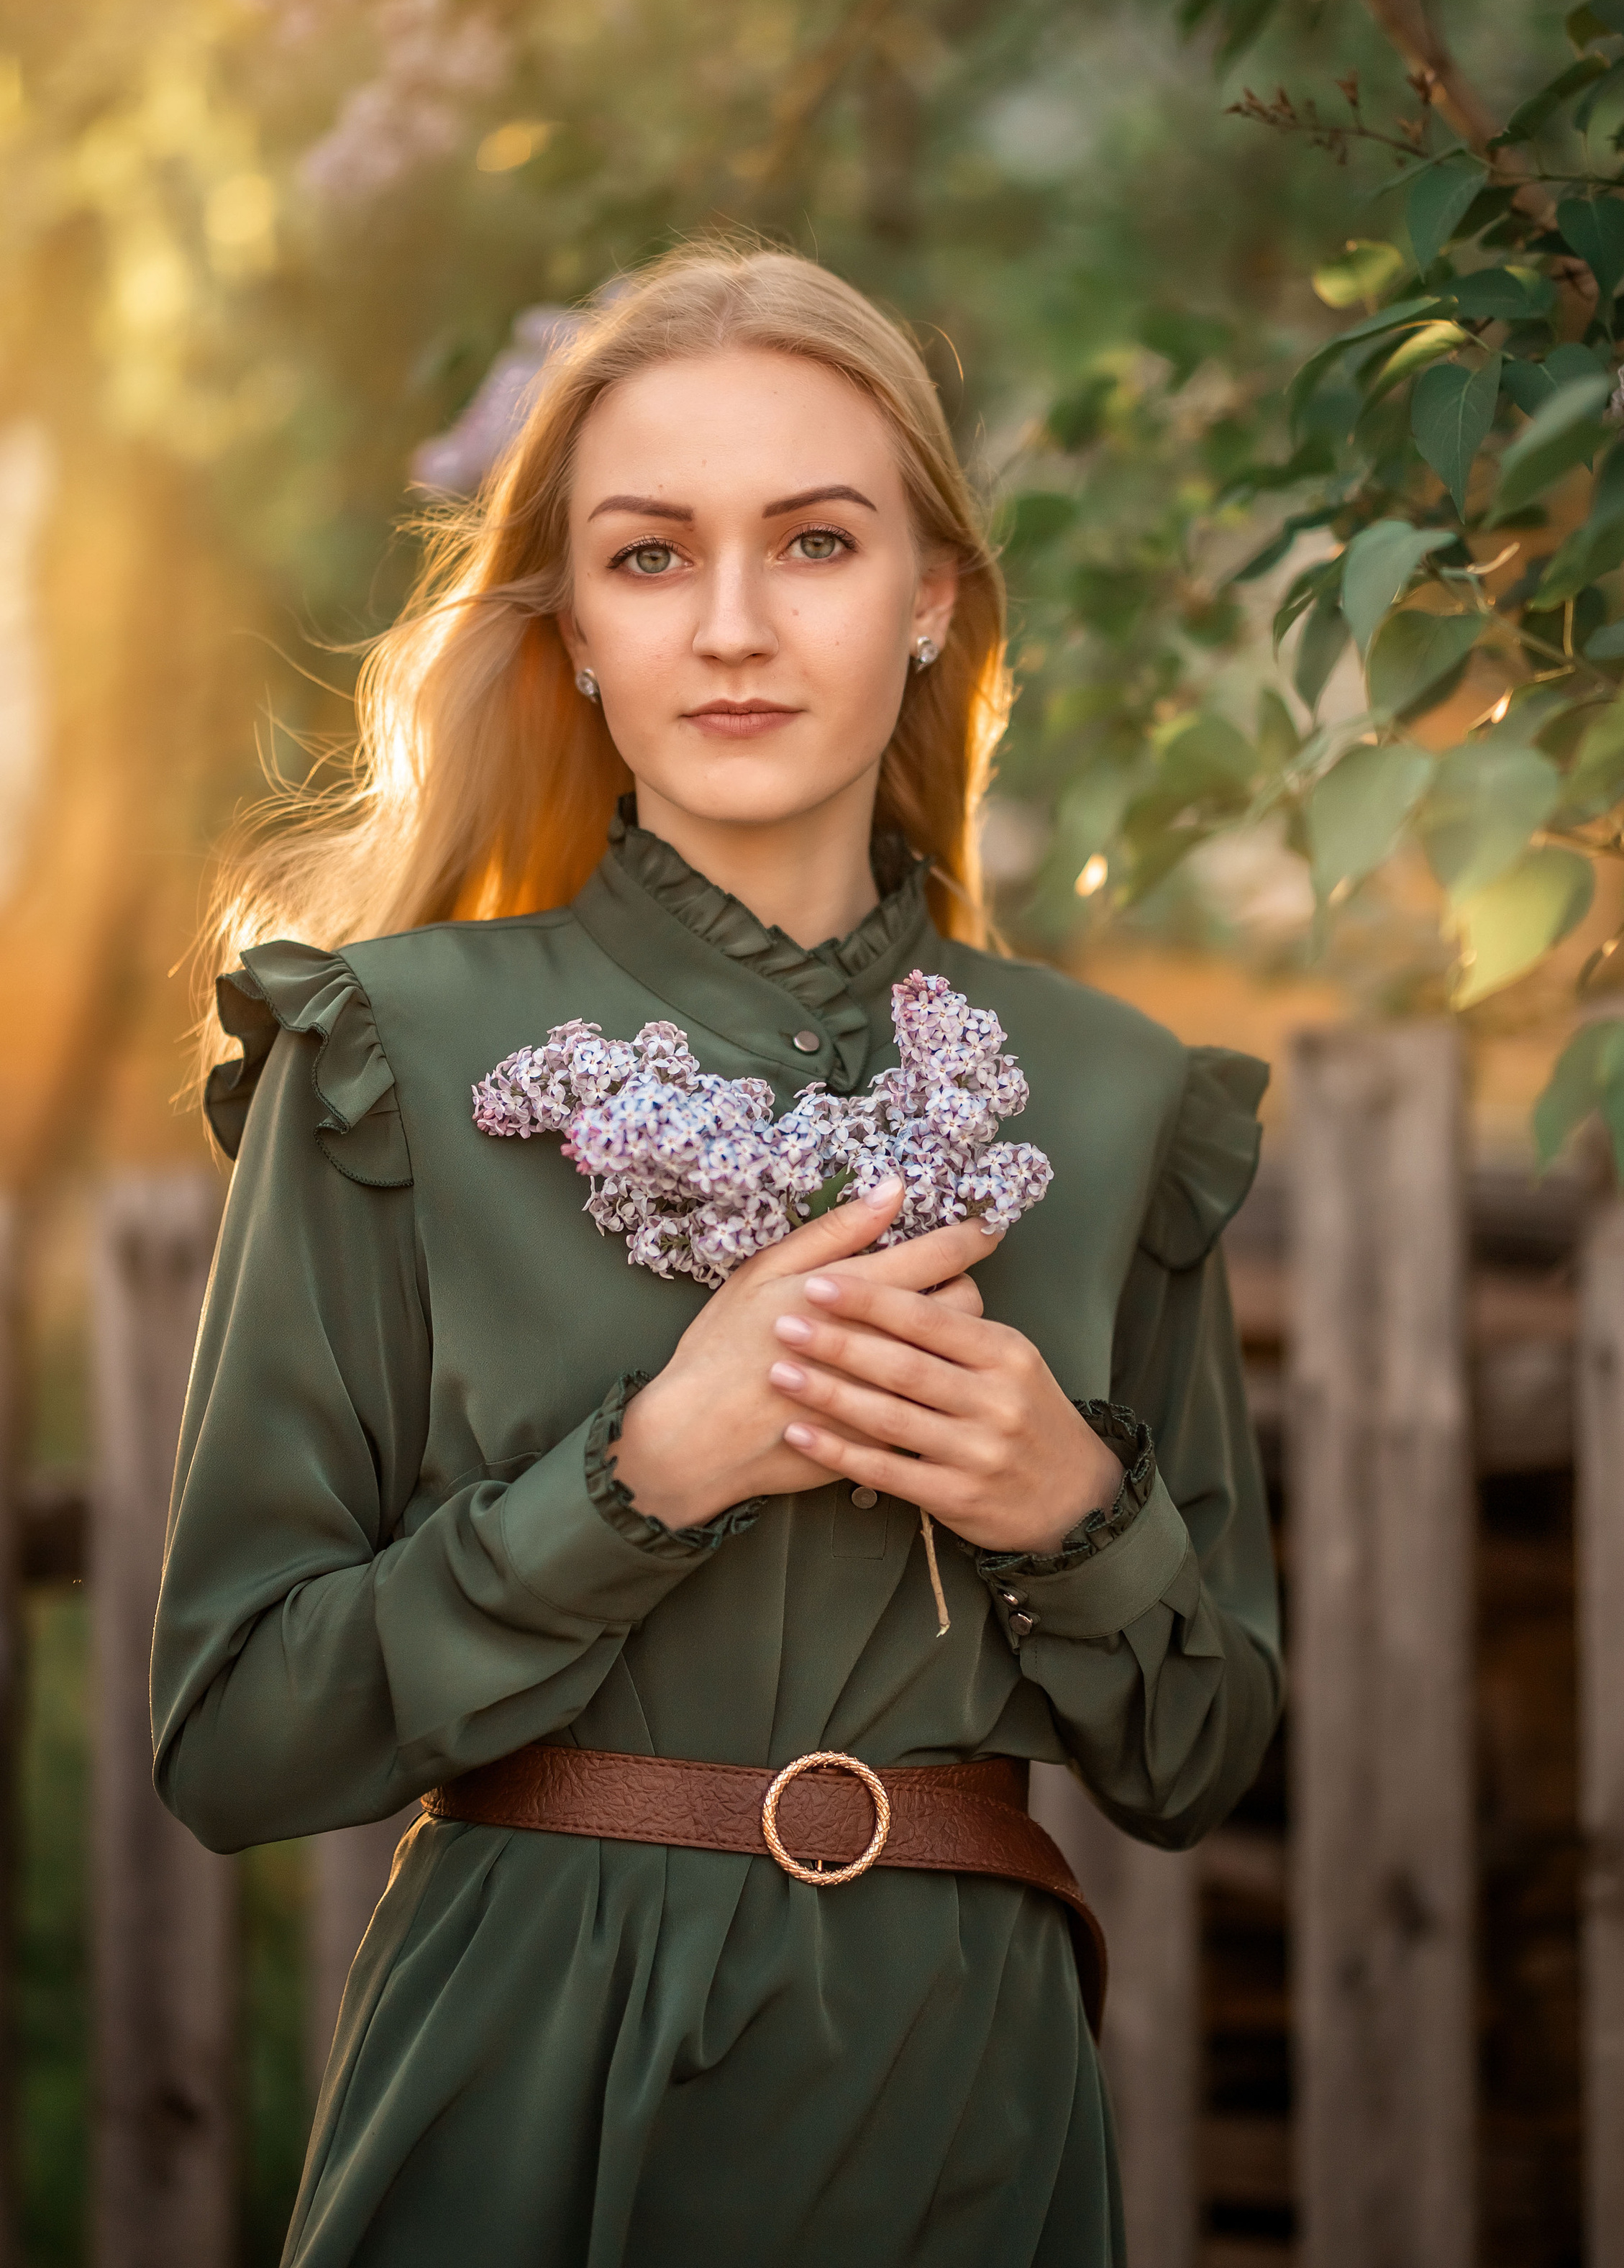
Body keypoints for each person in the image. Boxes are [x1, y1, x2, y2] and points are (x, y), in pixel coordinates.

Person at [152, 240, 1281, 2267]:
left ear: (932, 600)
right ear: (574, 625)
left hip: (968, 2097)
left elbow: (1199, 1761)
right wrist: (634, 1481)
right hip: (524, 2078)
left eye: (817, 543)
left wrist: (1075, 1511)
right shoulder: (390, 1056)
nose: (735, 626)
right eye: (652, 556)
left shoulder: (1115, 1101)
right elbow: (233, 1735)